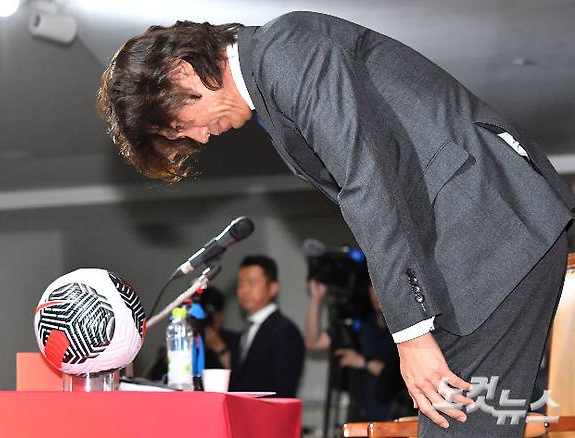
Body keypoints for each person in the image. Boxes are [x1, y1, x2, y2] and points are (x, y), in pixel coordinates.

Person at [97, 12, 575, 437]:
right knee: (470, 421)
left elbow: (369, 181)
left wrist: (409, 334)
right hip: (485, 239)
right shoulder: (275, 74)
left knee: (459, 423)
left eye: (180, 124)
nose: (197, 137)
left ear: (181, 71)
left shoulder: (286, 51)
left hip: (488, 232)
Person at [305, 278, 411, 421]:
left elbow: (402, 376)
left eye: (380, 284)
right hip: (361, 417)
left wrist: (363, 362)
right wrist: (316, 300)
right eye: (371, 285)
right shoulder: (362, 324)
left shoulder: (408, 328)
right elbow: (314, 342)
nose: (375, 292)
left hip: (395, 417)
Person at [229, 255, 305, 397]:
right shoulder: (246, 330)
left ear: (272, 288)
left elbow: (283, 389)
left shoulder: (285, 331)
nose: (243, 291)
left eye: (252, 283)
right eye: (240, 284)